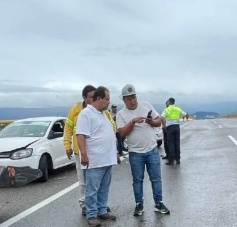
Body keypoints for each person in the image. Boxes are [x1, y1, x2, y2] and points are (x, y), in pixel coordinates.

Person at [116, 84, 170, 216]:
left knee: (156, 179)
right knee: (137, 180)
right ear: (124, 100)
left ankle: (159, 203)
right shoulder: (121, 114)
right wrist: (133, 122)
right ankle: (139, 204)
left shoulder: (146, 105)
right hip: (135, 153)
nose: (133, 101)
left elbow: (158, 121)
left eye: (134, 97)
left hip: (151, 149)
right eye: (129, 99)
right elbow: (122, 133)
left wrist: (151, 121)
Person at [64, 85, 117, 215]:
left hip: (106, 159)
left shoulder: (104, 114)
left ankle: (102, 210)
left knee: (103, 188)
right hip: (94, 160)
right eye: (107, 99)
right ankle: (91, 213)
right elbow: (80, 135)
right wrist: (84, 155)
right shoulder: (85, 114)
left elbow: (111, 130)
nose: (109, 102)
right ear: (99, 98)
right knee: (91, 188)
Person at [162, 97, 188, 165]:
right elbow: (185, 114)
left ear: (169, 102)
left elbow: (162, 117)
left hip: (170, 127)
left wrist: (164, 126)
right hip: (177, 127)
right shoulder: (178, 109)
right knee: (177, 143)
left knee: (171, 144)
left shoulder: (167, 109)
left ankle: (171, 160)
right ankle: (178, 159)